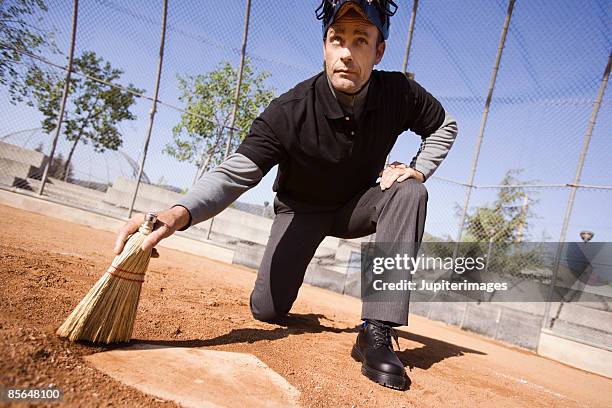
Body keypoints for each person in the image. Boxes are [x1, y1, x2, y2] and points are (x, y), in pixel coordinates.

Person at [114, 0, 458, 390]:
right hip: (302, 210)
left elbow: (443, 125)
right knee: (267, 310)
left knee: (410, 191)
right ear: (325, 45)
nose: (346, 52)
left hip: (356, 206)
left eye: (360, 40)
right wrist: (179, 213)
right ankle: (280, 294)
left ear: (379, 51)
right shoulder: (289, 110)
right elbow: (235, 173)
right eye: (336, 39)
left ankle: (376, 329)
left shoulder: (399, 92)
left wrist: (419, 166)